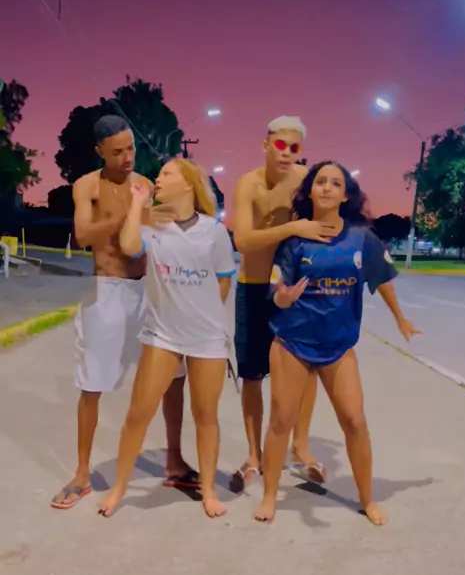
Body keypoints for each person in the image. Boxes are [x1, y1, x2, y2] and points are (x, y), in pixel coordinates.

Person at [255, 161, 421, 525]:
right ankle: (269, 496)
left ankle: (367, 500)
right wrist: (282, 298)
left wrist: (400, 318)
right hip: (293, 342)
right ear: (311, 191)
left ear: (345, 195)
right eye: (321, 182)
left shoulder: (361, 237)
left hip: (338, 346)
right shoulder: (295, 238)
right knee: (281, 420)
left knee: (355, 421)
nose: (327, 187)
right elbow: (277, 289)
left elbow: (381, 278)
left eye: (335, 183)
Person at [51, 116, 196, 510]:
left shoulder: (144, 184)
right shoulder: (87, 186)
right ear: (100, 151)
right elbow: (84, 235)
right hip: (107, 292)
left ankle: (174, 460)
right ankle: (82, 474)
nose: (127, 157)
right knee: (92, 383)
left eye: (130, 148)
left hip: (148, 290)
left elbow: (159, 233)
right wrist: (130, 212)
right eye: (117, 152)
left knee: (173, 375)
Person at [97, 158, 236, 519]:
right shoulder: (152, 223)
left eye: (166, 174)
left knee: (206, 415)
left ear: (188, 183)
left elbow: (224, 278)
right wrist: (137, 205)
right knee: (138, 414)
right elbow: (129, 246)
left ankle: (208, 491)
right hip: (163, 334)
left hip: (207, 338)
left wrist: (204, 311)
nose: (157, 179)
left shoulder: (214, 231)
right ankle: (119, 488)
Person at [231, 116, 335, 491]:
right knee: (252, 374)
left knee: (305, 370)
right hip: (254, 286)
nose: (287, 153)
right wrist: (293, 227)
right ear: (265, 145)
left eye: (294, 147)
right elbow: (243, 240)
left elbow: (328, 221)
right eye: (280, 145)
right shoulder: (249, 184)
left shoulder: (307, 180)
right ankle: (254, 455)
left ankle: (300, 447)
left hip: (295, 288)